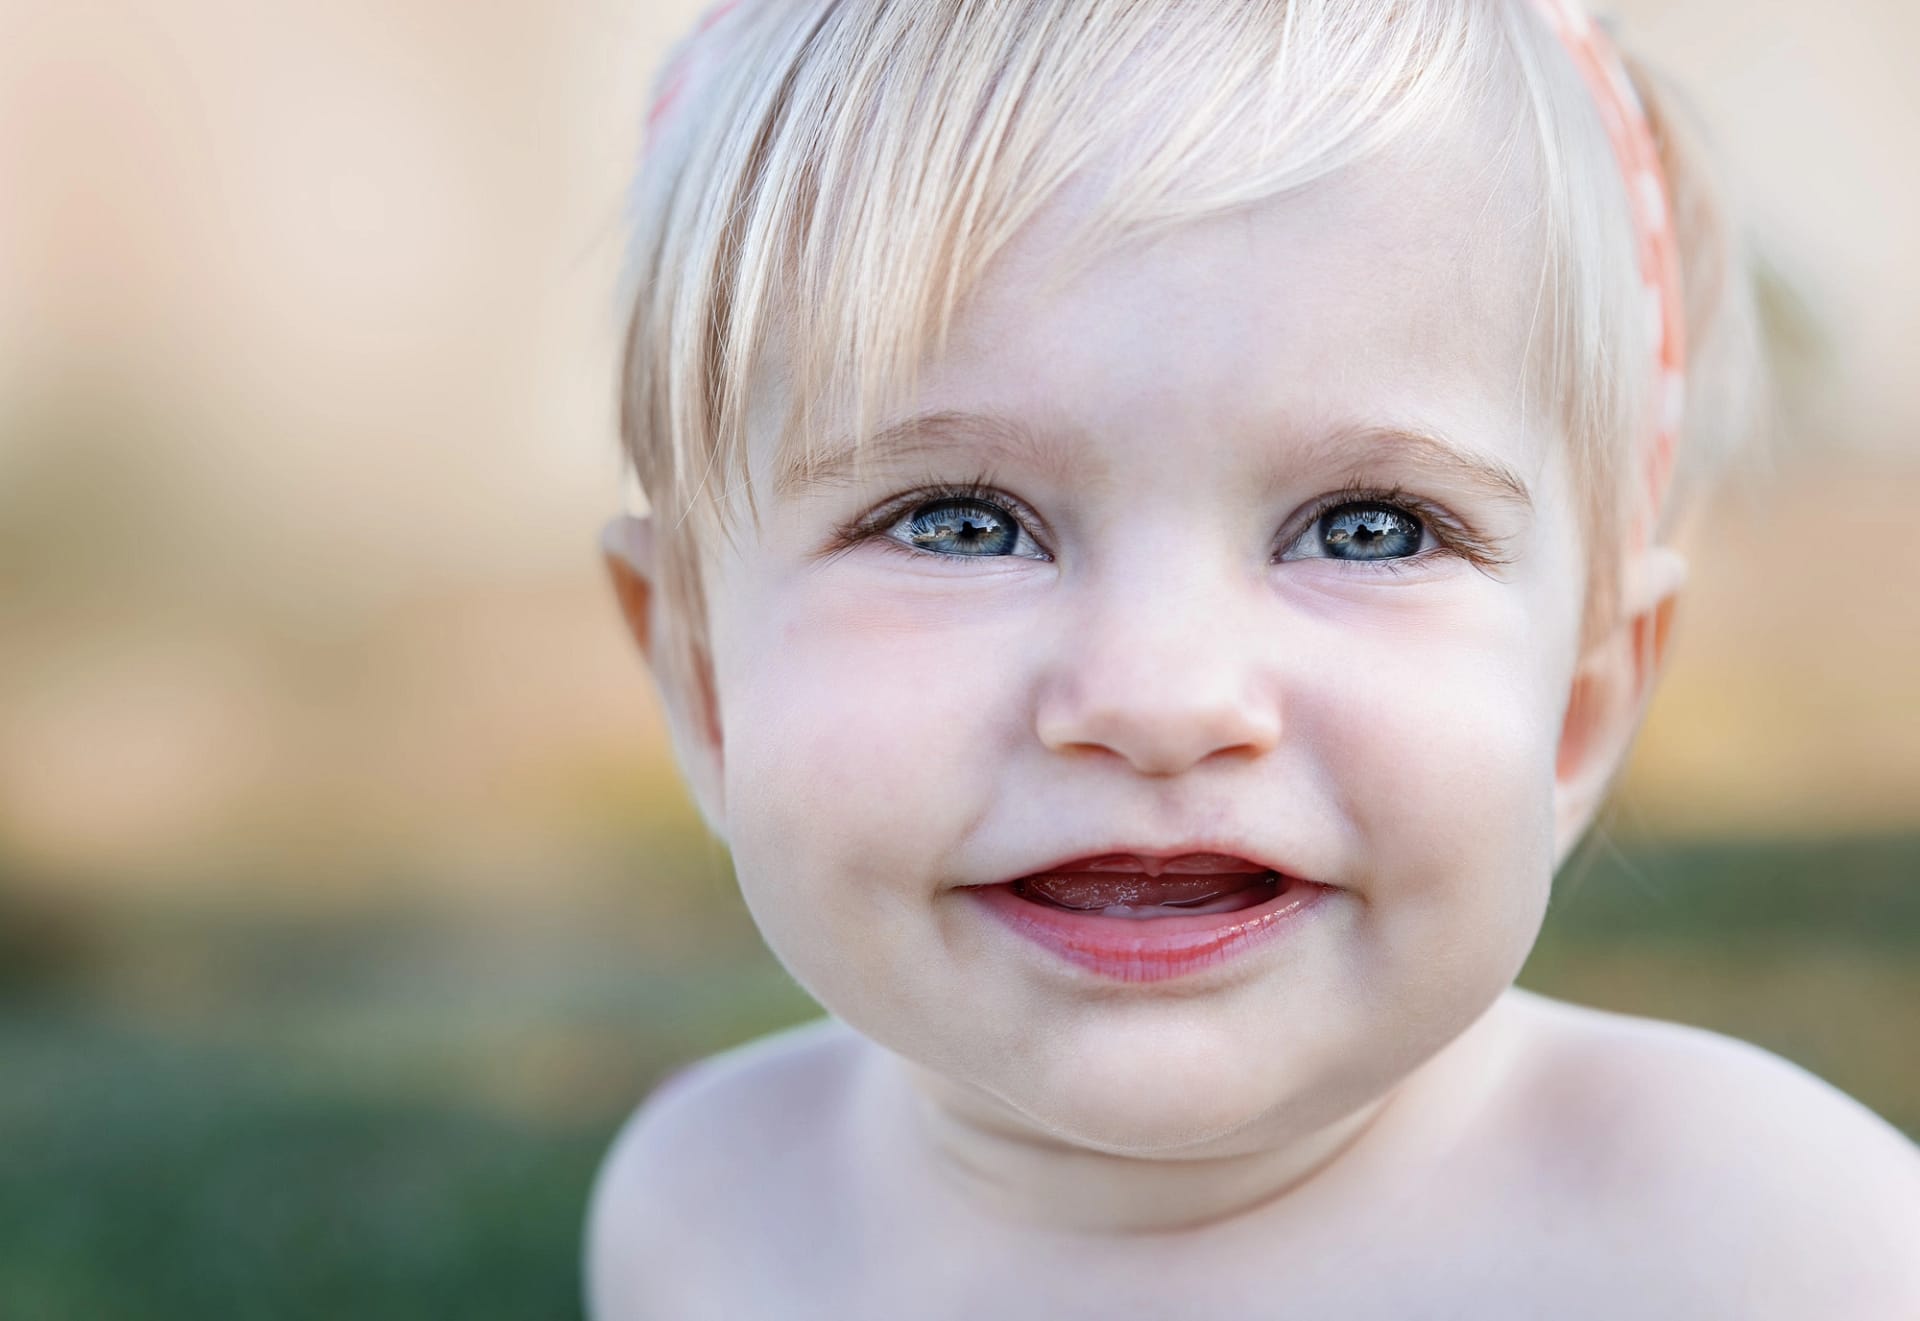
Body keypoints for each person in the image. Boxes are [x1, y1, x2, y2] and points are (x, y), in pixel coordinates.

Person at [585, 2, 1920, 1315]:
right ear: (703, 679)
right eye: (960, 523)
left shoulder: (1773, 1246)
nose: (1161, 696)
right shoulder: (708, 1211)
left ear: (1580, 703)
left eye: (1366, 526)